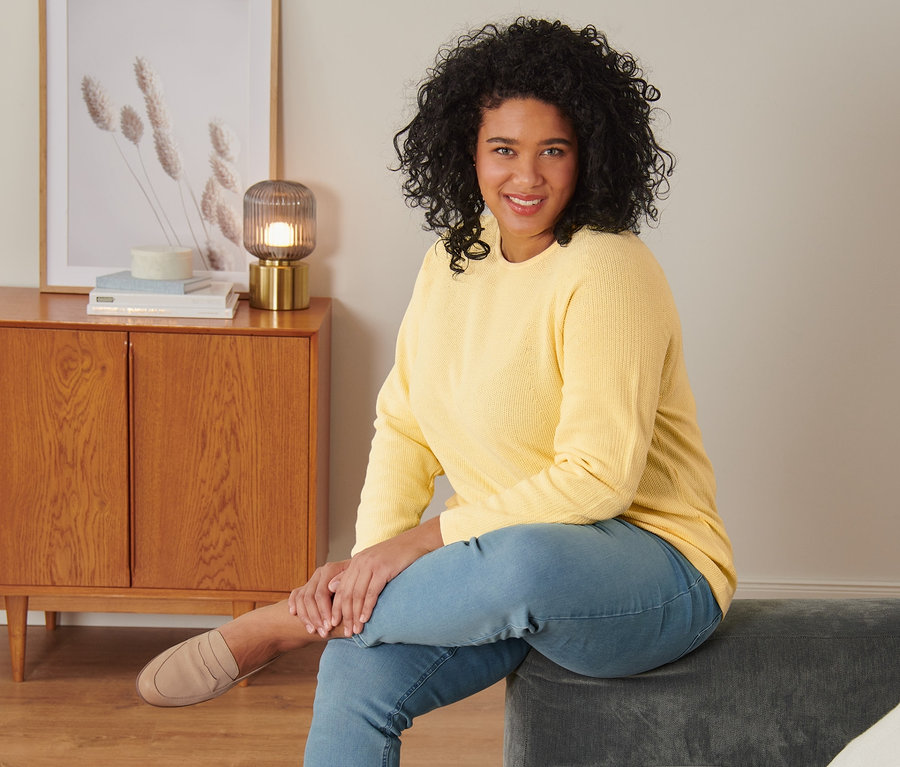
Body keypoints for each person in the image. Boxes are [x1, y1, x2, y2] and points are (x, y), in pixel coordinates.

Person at [136, 17, 737, 765]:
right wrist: (366, 564)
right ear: (469, 152)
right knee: (357, 663)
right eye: (504, 150)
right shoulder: (452, 260)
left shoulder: (609, 268)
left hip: (651, 571)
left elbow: (599, 479)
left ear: (588, 154)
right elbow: (405, 425)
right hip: (493, 568)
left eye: (554, 150)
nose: (528, 176)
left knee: (524, 563)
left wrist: (417, 543)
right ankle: (329, 617)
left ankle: (282, 625)